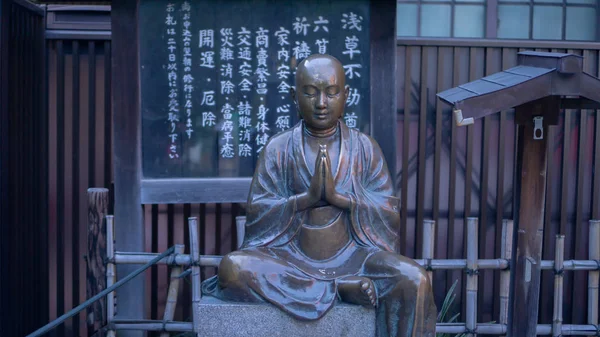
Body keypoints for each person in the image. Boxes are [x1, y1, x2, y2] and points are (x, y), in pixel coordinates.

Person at [202, 54, 437, 337]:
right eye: (310, 93)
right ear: (293, 95)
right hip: (291, 258)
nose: (321, 103)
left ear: (346, 95)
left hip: (357, 257)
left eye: (331, 92)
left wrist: (341, 199)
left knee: (414, 278)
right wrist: (306, 200)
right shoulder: (278, 148)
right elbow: (258, 212)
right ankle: (338, 289)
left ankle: (337, 285)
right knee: (233, 268)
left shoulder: (364, 148)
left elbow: (388, 213)